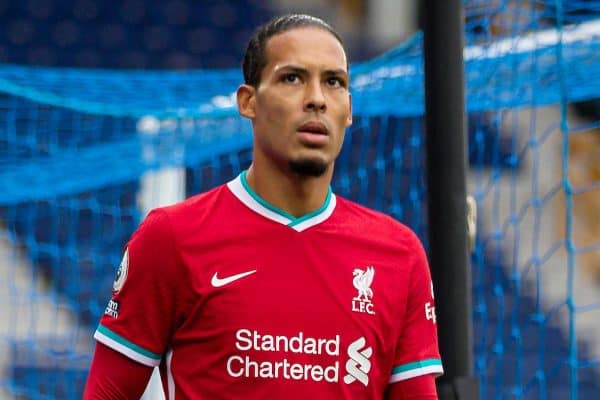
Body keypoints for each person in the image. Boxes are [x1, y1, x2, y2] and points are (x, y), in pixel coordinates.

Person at [84, 14, 443, 399]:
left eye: (333, 82)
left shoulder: (398, 254)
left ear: (349, 109)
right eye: (293, 78)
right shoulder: (171, 237)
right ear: (248, 101)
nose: (317, 99)